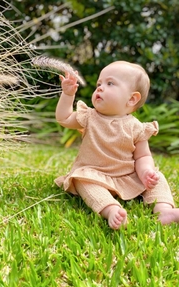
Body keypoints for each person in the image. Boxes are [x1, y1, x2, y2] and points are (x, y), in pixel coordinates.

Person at [55, 60, 179, 229]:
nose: (100, 87)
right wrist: (68, 95)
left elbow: (143, 156)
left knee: (158, 178)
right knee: (83, 182)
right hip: (94, 174)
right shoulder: (89, 117)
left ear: (132, 99)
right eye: (99, 83)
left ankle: (164, 210)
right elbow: (63, 118)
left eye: (110, 83)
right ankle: (111, 209)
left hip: (128, 176)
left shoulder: (137, 127)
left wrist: (145, 173)